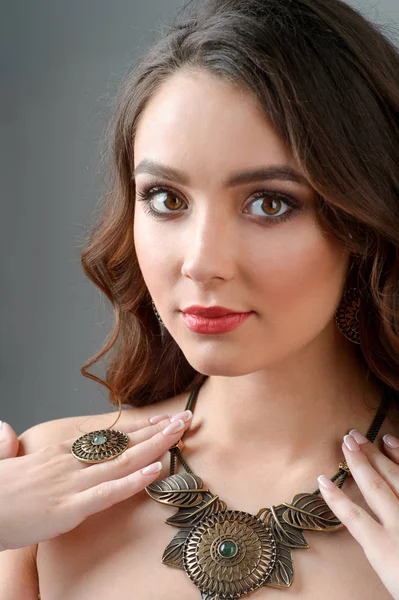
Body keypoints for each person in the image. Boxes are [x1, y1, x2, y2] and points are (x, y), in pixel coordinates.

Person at [1, 0, 399, 598]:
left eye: (270, 202)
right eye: (166, 198)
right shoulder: (39, 480)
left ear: (363, 223)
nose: (200, 262)